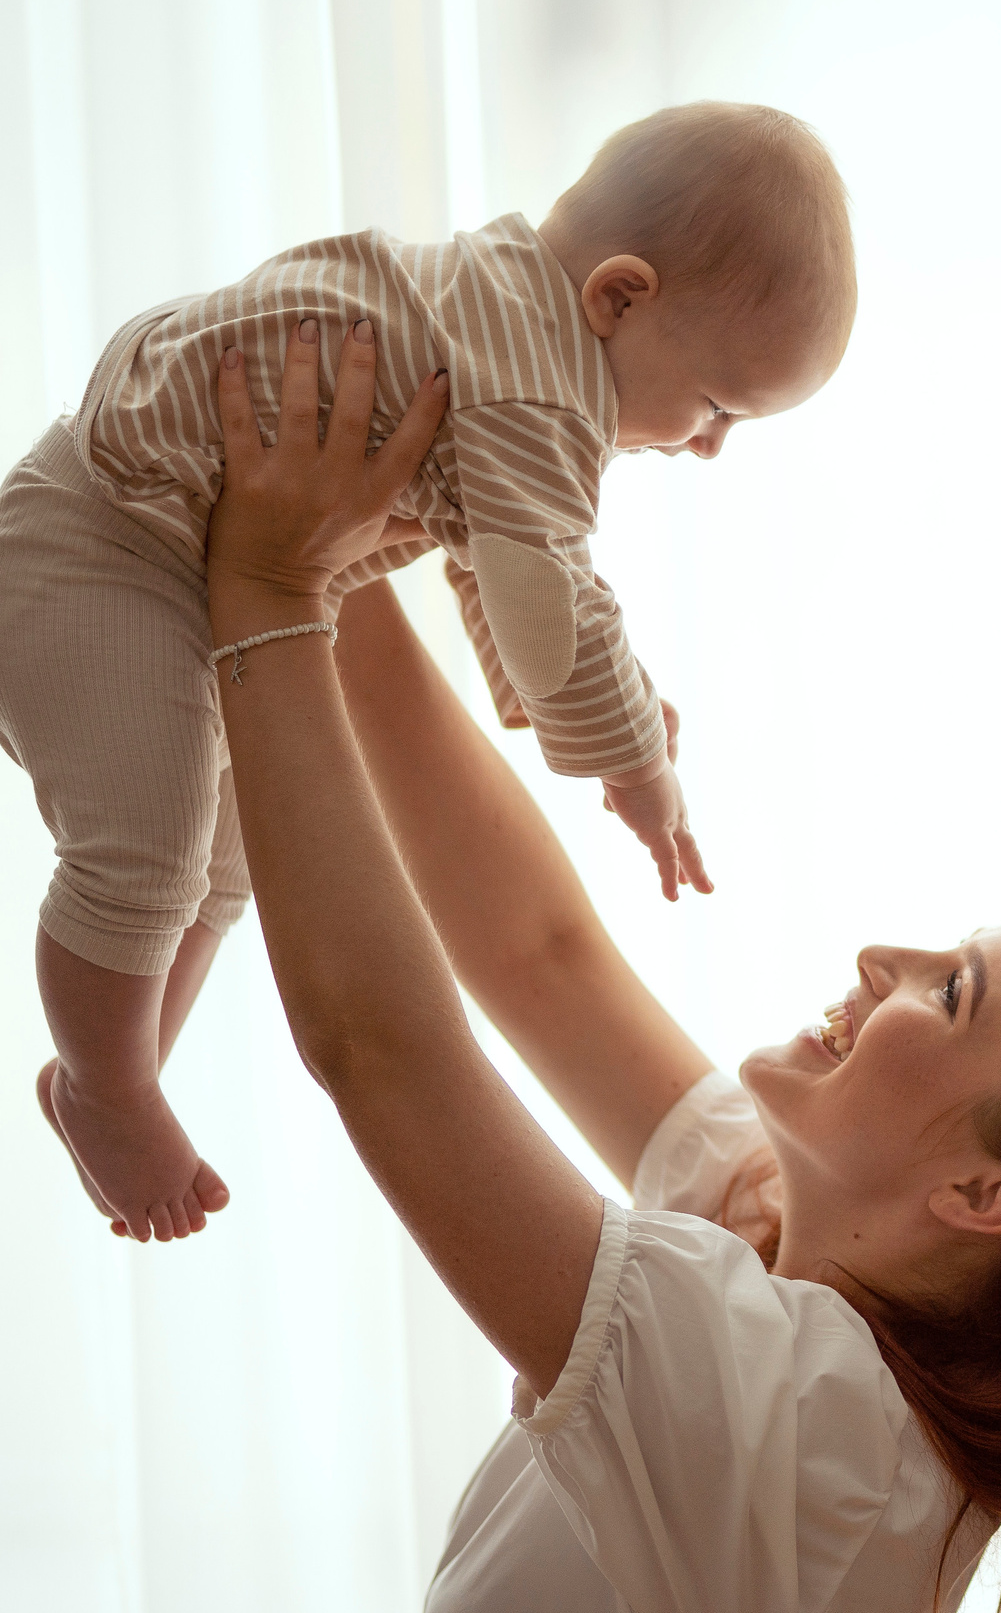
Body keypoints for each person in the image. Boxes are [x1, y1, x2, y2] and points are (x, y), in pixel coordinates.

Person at [202, 325, 1001, 1613]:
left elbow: (382, 1051)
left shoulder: (818, 1427)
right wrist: (337, 563)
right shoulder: (785, 1237)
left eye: (953, 989)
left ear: (984, 1190)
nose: (886, 955)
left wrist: (262, 590)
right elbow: (540, 954)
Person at [9, 100, 854, 1242]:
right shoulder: (540, 392)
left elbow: (492, 562)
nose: (708, 446)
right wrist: (638, 767)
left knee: (225, 854)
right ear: (620, 297)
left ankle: (112, 1069)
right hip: (109, 537)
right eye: (714, 408)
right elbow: (546, 599)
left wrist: (580, 698)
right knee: (148, 854)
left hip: (156, 547)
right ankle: (111, 1084)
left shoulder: (502, 317)